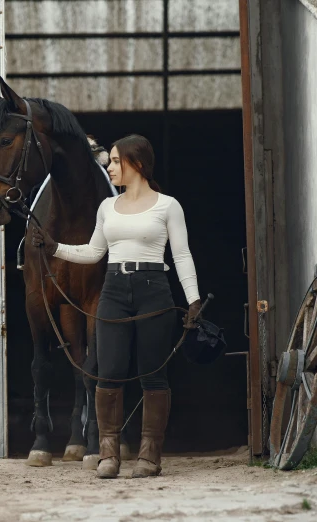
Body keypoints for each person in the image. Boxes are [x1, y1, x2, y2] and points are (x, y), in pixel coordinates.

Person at [31, 134, 201, 479]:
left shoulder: (168, 206)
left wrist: (193, 298)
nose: (108, 167)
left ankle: (149, 456)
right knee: (107, 371)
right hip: (113, 289)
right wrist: (54, 248)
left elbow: (181, 255)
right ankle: (108, 454)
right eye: (109, 161)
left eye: (114, 161)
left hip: (154, 288)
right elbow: (93, 252)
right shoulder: (107, 207)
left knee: (153, 374)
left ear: (136, 164)